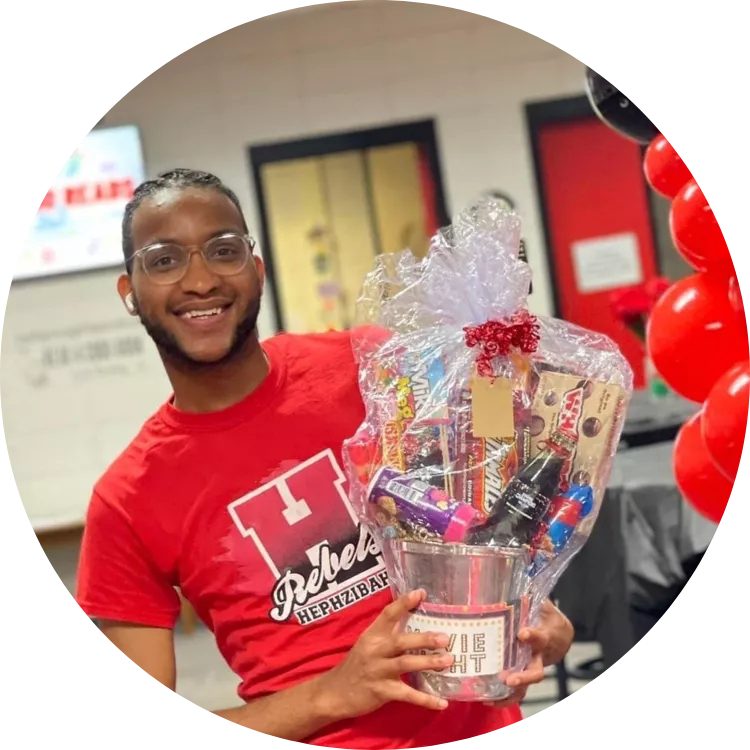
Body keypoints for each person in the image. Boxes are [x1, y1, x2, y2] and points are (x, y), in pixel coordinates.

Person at [75, 169, 574, 749]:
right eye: (164, 260)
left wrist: (533, 612)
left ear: (256, 270)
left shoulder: (368, 368)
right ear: (129, 292)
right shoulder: (126, 500)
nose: (200, 279)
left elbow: (478, 501)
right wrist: (335, 692)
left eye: (223, 250)